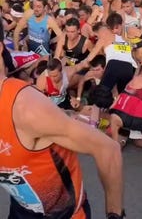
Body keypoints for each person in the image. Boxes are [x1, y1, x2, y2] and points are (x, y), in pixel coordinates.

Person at [0, 18, 124, 218]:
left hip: (64, 213)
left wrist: (115, 214)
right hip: (22, 210)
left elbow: (108, 148)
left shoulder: (26, 108)